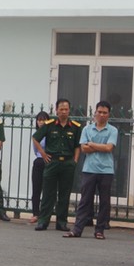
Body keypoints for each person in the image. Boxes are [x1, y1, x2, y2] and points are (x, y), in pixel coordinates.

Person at [65, 101, 117, 239]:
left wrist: (92, 144)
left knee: (104, 202)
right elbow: (83, 149)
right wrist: (100, 146)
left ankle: (100, 230)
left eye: (104, 112)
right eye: (99, 112)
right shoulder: (87, 129)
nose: (101, 115)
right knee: (85, 200)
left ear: (108, 115)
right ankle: (77, 229)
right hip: (89, 169)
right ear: (95, 113)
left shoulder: (113, 130)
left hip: (106, 170)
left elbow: (109, 148)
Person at [33, 99, 82, 232]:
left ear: (69, 110)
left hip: (67, 163)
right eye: (61, 109)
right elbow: (35, 138)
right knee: (48, 193)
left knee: (64, 194)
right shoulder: (49, 125)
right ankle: (43, 221)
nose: (64, 112)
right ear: (56, 110)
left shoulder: (75, 127)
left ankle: (61, 222)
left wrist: (75, 161)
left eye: (66, 109)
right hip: (52, 162)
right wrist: (42, 153)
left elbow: (78, 146)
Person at [30, 111, 50, 222]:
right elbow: (35, 150)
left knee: (48, 189)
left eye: (44, 120)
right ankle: (35, 213)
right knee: (36, 188)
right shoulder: (36, 135)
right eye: (39, 120)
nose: (41, 122)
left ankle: (45, 213)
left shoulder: (51, 133)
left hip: (49, 162)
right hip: (39, 161)